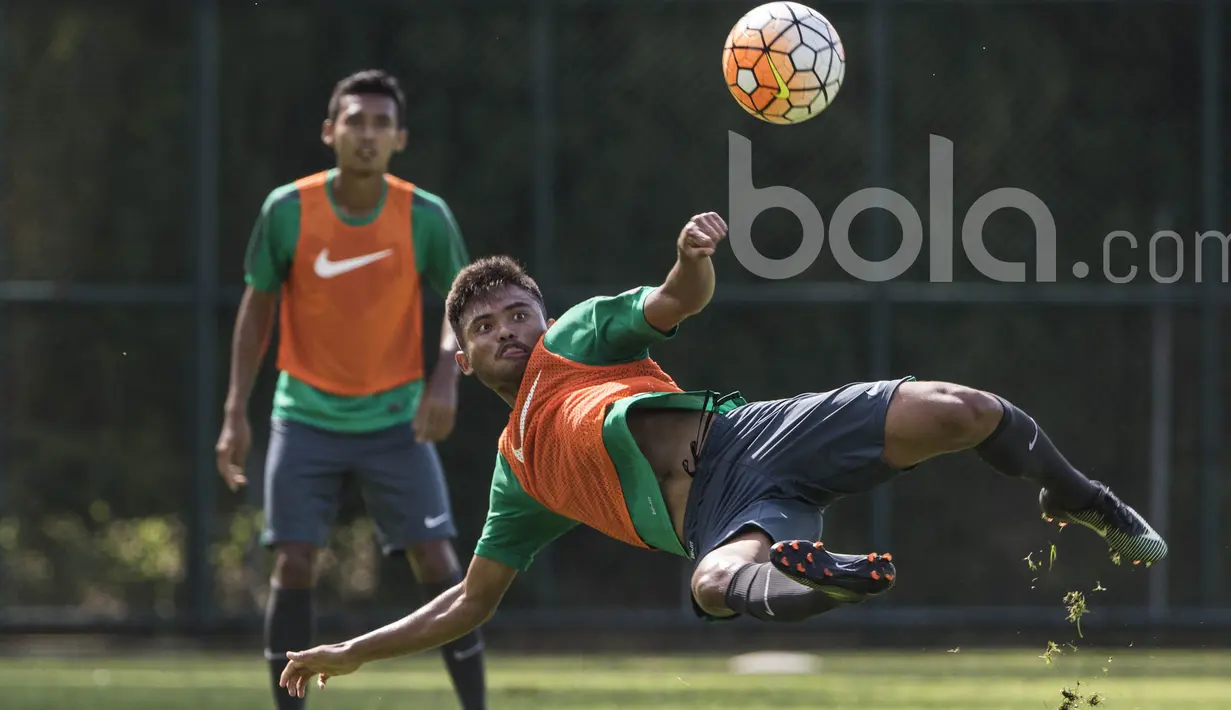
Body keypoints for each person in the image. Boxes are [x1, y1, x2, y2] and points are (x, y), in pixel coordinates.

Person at [275, 211, 1168, 698]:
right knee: (710, 584)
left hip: (753, 434)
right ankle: (815, 579)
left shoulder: (577, 338)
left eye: (517, 313)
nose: (507, 330)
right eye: (483, 326)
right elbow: (469, 603)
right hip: (721, 516)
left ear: (541, 319)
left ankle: (1079, 497)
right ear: (461, 361)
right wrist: (351, 650)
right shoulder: (520, 480)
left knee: (964, 409)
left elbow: (675, 300)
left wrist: (691, 256)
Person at [214, 69, 486, 710]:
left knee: (439, 563)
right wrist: (234, 410)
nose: (367, 134)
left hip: (396, 418)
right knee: (294, 562)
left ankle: (476, 705)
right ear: (329, 132)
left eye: (380, 124)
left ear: (400, 139)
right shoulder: (287, 210)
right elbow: (256, 309)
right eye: (355, 121)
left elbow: (464, 303)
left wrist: (447, 375)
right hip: (303, 414)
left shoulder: (424, 216)